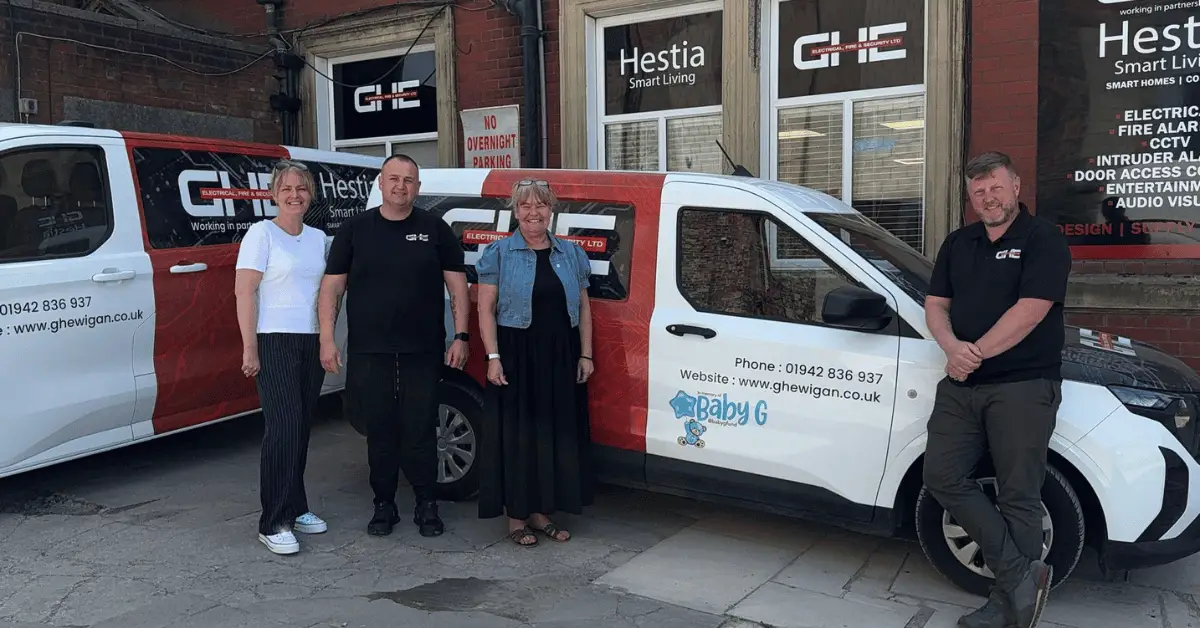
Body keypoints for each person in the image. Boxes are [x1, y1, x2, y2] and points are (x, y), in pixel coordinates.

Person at [922, 151, 1072, 628]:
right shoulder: (958, 242)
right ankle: (1020, 576)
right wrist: (951, 347)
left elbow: (1032, 310)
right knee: (941, 476)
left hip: (1024, 386)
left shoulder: (1044, 239)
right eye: (979, 191)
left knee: (1018, 496)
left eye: (996, 187)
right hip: (961, 384)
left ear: (1016, 186)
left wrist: (974, 353)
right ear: (971, 198)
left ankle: (1009, 609)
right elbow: (935, 304)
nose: (988, 197)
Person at [317, 154, 470, 538]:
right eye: (394, 179)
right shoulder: (355, 230)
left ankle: (426, 504)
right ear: (381, 184)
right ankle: (383, 505)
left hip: (423, 349)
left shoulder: (436, 230)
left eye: (409, 181)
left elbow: (457, 288)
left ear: (417, 188)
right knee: (380, 430)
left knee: (421, 430)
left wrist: (462, 336)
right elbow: (332, 287)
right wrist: (326, 339)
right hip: (371, 350)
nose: (401, 186)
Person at [475, 179, 595, 547]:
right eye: (525, 206)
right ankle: (516, 518)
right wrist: (493, 358)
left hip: (560, 354)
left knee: (553, 434)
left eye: (540, 206)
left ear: (551, 210)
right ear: (515, 212)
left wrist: (586, 353)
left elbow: (585, 308)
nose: (533, 213)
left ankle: (542, 513)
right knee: (519, 436)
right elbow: (485, 309)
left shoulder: (571, 254)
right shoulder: (499, 253)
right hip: (516, 353)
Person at [234, 160, 330, 555]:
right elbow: (244, 292)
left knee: (302, 427)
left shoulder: (317, 238)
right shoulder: (261, 234)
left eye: (302, 188)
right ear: (274, 193)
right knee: (284, 427)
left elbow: (327, 293)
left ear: (310, 195)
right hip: (273, 340)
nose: (295, 194)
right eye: (286, 188)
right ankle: (272, 520)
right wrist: (250, 347)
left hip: (310, 341)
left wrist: (327, 339)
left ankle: (296, 505)